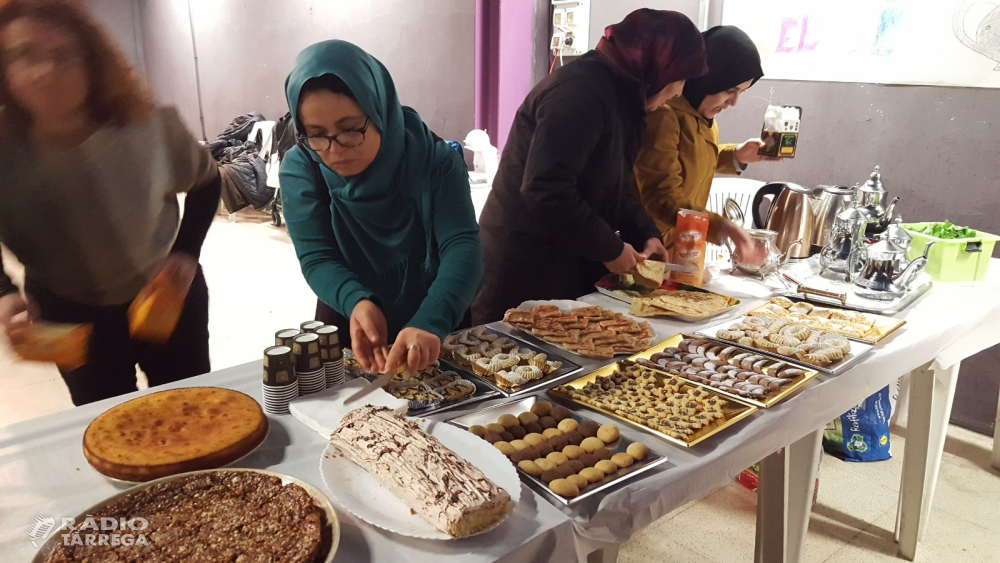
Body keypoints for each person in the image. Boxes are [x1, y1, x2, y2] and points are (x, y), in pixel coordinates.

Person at [0, 0, 221, 405]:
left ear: (91, 62)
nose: (45, 71)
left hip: (165, 293)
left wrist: (186, 253)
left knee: (190, 410)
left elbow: (207, 183)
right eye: (22, 55)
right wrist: (3, 291)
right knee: (110, 424)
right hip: (68, 313)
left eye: (63, 55)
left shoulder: (148, 123)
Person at [472, 9, 708, 324]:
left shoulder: (625, 97)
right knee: (519, 363)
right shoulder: (579, 92)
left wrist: (646, 234)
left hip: (567, 260)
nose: (678, 92)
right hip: (524, 267)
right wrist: (610, 248)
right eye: (678, 79)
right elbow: (547, 191)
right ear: (654, 63)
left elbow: (614, 185)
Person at [280, 40, 482, 375]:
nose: (333, 149)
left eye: (349, 130)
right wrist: (355, 300)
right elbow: (317, 257)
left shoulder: (434, 162)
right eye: (316, 134)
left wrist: (431, 320)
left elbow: (462, 246)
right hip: (351, 316)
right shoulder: (302, 168)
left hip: (440, 308)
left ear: (379, 111)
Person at [632, 25, 776, 257]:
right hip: (649, 249)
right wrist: (725, 229)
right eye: (730, 89)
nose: (734, 102)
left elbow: (690, 156)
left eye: (742, 92)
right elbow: (661, 198)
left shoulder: (703, 114)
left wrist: (736, 155)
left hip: (682, 248)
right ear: (707, 76)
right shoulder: (663, 114)